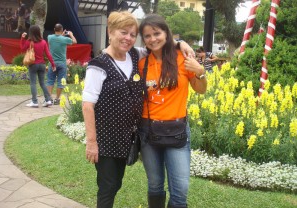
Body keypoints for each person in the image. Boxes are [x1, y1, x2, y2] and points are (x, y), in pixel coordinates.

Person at [82, 11, 195, 208]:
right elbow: (87, 105)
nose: (128, 38)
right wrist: (91, 142)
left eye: (133, 35)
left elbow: (158, 44)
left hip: (130, 137)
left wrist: (181, 42)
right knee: (109, 186)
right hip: (107, 138)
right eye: (123, 33)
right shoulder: (98, 65)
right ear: (110, 32)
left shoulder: (135, 55)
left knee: (116, 184)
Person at [138, 14, 207, 208]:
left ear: (166, 33)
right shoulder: (142, 63)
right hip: (148, 131)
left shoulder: (183, 59)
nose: (153, 39)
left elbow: (201, 90)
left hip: (176, 130)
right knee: (155, 185)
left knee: (180, 190)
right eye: (147, 36)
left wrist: (200, 72)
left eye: (157, 33)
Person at [20, 25, 56, 107]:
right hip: (42, 65)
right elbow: (48, 54)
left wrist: (22, 38)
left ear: (31, 32)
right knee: (42, 83)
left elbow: (22, 48)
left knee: (33, 83)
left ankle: (34, 102)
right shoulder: (43, 42)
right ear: (39, 32)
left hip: (33, 65)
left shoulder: (29, 41)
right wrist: (53, 64)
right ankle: (48, 100)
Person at [46, 23, 77, 105]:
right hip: (62, 63)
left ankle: (49, 99)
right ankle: (57, 99)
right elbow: (75, 42)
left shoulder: (49, 37)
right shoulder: (64, 39)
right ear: (62, 30)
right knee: (61, 81)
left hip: (52, 63)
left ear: (54, 29)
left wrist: (61, 35)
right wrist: (71, 34)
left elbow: (57, 39)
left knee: (50, 80)